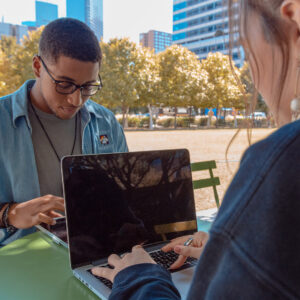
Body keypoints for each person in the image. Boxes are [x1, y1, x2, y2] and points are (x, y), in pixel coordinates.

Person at [92, 0, 300, 298]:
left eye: (244, 44)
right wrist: (230, 254)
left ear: (294, 20)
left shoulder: (281, 164)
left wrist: (139, 278)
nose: (250, 73)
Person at [0, 18, 128, 247]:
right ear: (38, 67)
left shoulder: (107, 122)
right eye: (64, 84)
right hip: (19, 261)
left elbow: (122, 196)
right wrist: (10, 214)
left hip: (97, 251)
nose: (76, 99)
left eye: (88, 87)